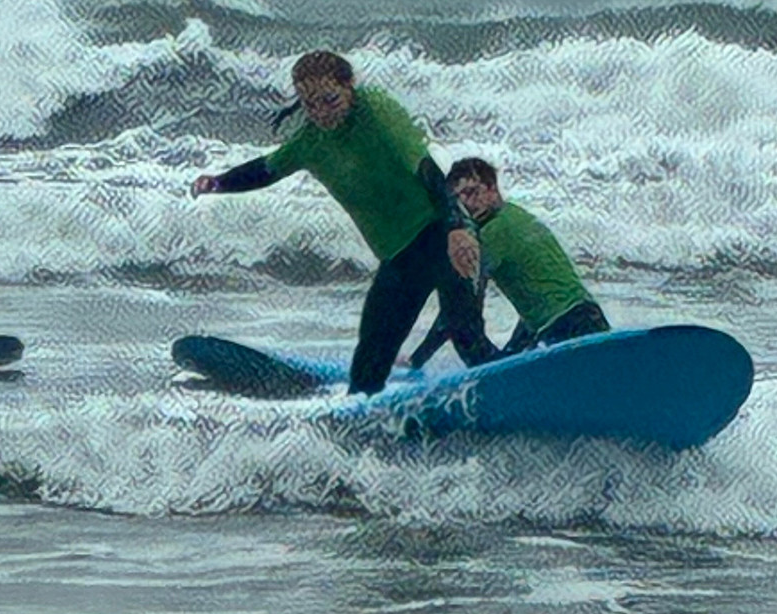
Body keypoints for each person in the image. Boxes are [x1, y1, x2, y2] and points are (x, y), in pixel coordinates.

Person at [191, 51, 498, 394]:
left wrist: (457, 228)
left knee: (465, 334)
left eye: (330, 100)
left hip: (441, 234)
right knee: (370, 358)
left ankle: (513, 393)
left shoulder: (377, 112)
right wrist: (217, 182)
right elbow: (266, 169)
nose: (321, 112)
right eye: (310, 104)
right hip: (400, 255)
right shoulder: (311, 142)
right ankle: (365, 428)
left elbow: (427, 170)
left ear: (350, 86)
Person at [408, 157, 609, 369]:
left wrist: (417, 359)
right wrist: (512, 356)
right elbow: (537, 303)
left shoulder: (493, 233)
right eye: (458, 200)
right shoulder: (518, 215)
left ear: (492, 189)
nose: (466, 205)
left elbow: (460, 307)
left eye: (471, 193)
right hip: (588, 319)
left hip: (566, 328)